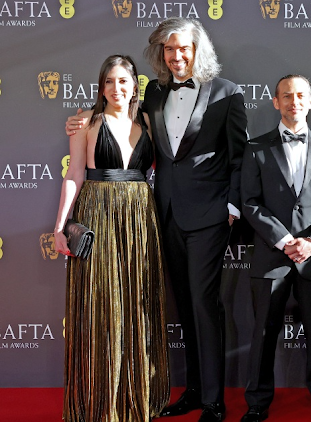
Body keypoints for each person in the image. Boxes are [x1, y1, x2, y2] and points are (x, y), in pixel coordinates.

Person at [66, 17, 247, 422]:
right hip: (161, 214)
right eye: (169, 49)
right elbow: (115, 119)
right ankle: (195, 392)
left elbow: (240, 157)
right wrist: (77, 122)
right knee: (182, 305)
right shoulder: (152, 93)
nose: (177, 55)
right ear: (160, 54)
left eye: (184, 48)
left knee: (203, 303)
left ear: (198, 50)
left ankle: (215, 402)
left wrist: (232, 208)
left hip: (209, 216)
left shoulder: (227, 93)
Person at [54, 54, 169, 422]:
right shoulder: (86, 121)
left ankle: (137, 396)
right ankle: (101, 401)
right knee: (101, 303)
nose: (116, 88)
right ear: (100, 86)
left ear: (136, 84)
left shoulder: (149, 121)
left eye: (123, 81)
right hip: (98, 213)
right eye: (108, 82)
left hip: (139, 218)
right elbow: (74, 175)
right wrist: (60, 227)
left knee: (137, 302)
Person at [240, 75, 311, 422]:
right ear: (275, 102)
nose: (293, 101)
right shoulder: (256, 148)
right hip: (272, 256)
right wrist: (286, 241)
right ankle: (256, 403)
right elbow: (250, 203)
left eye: (300, 96)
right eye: (286, 96)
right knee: (263, 334)